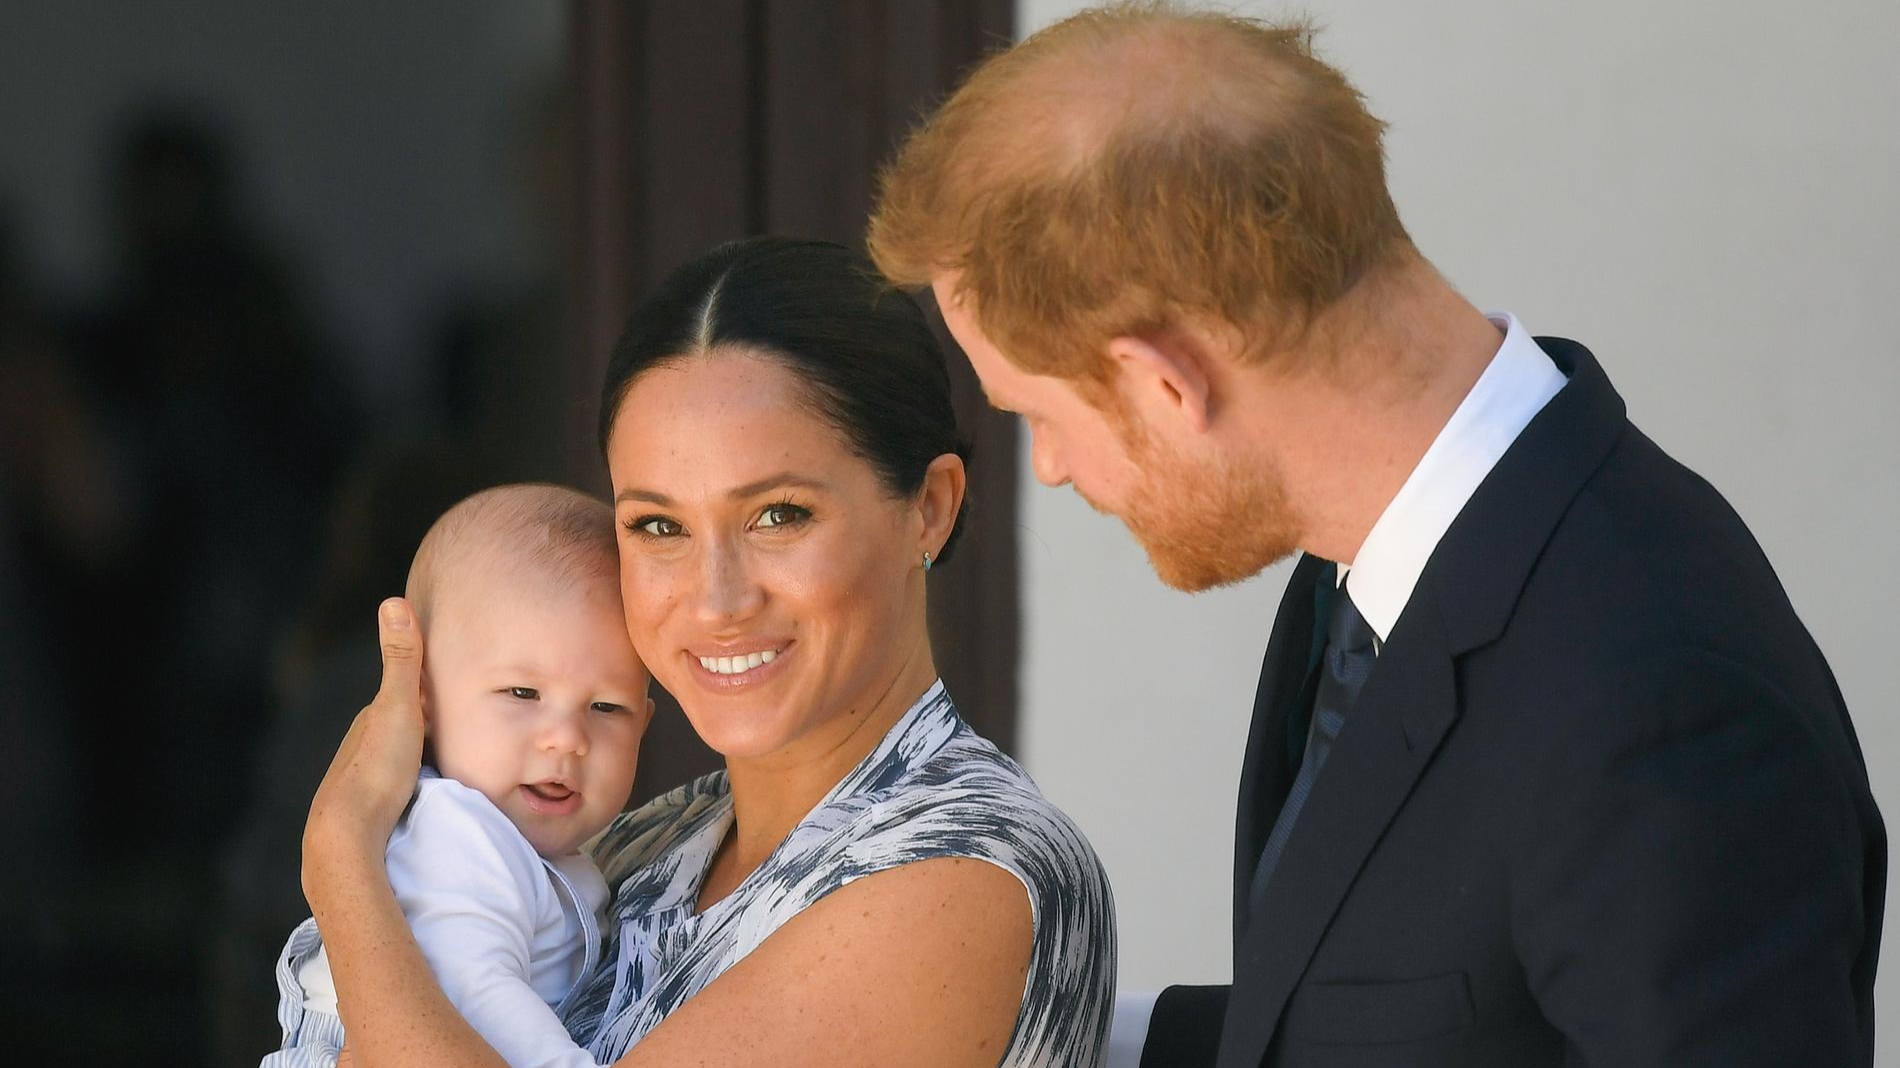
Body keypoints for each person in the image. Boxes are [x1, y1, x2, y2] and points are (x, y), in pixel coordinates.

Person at [867, 4, 1884, 1066]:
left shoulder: (1659, 699)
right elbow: (1416, 1023)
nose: (1052, 467)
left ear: (1164, 383)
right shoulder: (1378, 564)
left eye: (1038, 414)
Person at [297, 237, 1116, 1067]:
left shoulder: (958, 872)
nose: (717, 601)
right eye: (660, 526)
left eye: (779, 515)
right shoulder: (643, 843)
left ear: (929, 509)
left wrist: (341, 858)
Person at [267, 483, 653, 1068]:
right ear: (423, 699)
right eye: (522, 693)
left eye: (607, 708)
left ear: (644, 725)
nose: (568, 738)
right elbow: (474, 995)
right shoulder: (458, 834)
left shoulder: (543, 848)